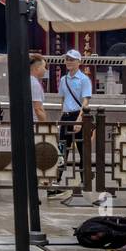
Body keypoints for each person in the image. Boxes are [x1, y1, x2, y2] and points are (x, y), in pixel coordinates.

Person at [50, 49, 92, 195]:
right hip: (66, 116)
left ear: (79, 62)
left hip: (79, 115)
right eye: (67, 59)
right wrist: (61, 117)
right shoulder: (63, 79)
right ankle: (57, 179)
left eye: (72, 59)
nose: (68, 62)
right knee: (62, 149)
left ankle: (85, 179)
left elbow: (85, 101)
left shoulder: (84, 79)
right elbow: (62, 100)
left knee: (82, 149)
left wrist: (79, 119)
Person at [29, 53, 48, 123]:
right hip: (35, 124)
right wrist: (45, 125)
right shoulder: (34, 83)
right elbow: (38, 109)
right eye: (44, 67)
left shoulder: (27, 81)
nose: (45, 70)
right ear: (37, 68)